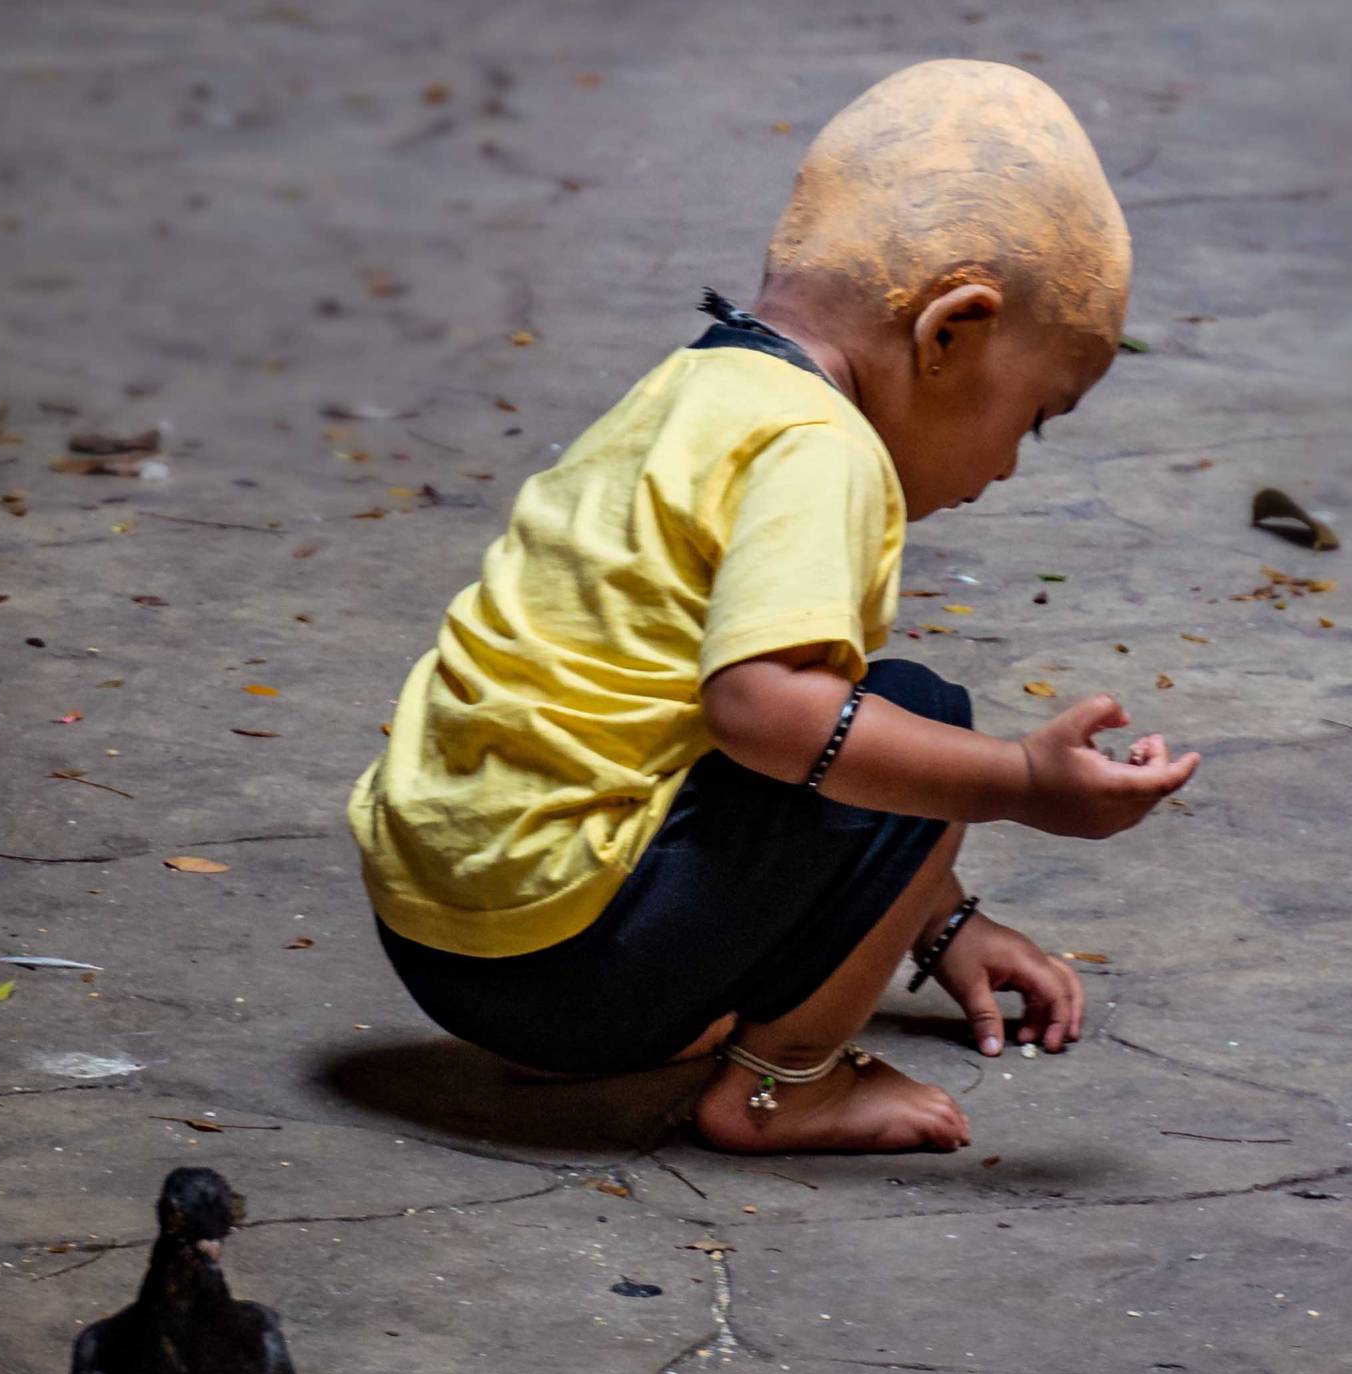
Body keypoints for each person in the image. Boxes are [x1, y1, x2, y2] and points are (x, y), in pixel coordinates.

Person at [348, 59, 1200, 1156]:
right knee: (920, 720)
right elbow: (763, 713)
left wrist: (933, 917)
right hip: (564, 964)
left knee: (876, 729)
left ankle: (615, 1031)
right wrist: (1022, 785)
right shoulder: (817, 447)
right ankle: (780, 1081)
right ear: (949, 332)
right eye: (1033, 415)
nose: (1010, 464)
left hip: (441, 931)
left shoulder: (694, 388)